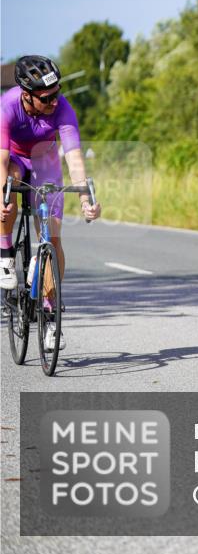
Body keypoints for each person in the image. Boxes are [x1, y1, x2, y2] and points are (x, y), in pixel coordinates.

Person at [0, 55, 102, 351]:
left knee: (53, 238)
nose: (55, 101)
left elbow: (74, 157)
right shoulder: (7, 107)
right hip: (15, 160)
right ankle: (5, 253)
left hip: (45, 160)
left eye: (57, 93)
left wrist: (86, 198)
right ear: (27, 95)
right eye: (47, 98)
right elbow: (3, 161)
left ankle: (50, 310)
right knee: (8, 188)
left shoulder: (63, 108)